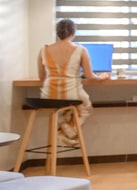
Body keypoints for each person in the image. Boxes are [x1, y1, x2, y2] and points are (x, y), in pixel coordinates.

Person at [37, 18, 110, 147]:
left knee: (64, 109)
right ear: (73, 33)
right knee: (85, 108)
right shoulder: (80, 50)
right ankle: (68, 132)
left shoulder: (44, 49)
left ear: (57, 33)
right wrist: (102, 76)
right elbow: (90, 76)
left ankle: (62, 130)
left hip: (48, 96)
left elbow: (42, 77)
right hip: (71, 94)